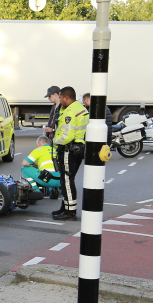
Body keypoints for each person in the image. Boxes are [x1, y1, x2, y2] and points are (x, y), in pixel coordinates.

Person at [52, 86, 89, 220]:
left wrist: (55, 140)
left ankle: (70, 211)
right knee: (67, 179)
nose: (60, 100)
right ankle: (65, 207)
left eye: (61, 98)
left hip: (69, 148)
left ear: (67, 98)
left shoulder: (70, 112)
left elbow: (67, 135)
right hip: (78, 147)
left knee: (67, 180)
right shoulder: (80, 108)